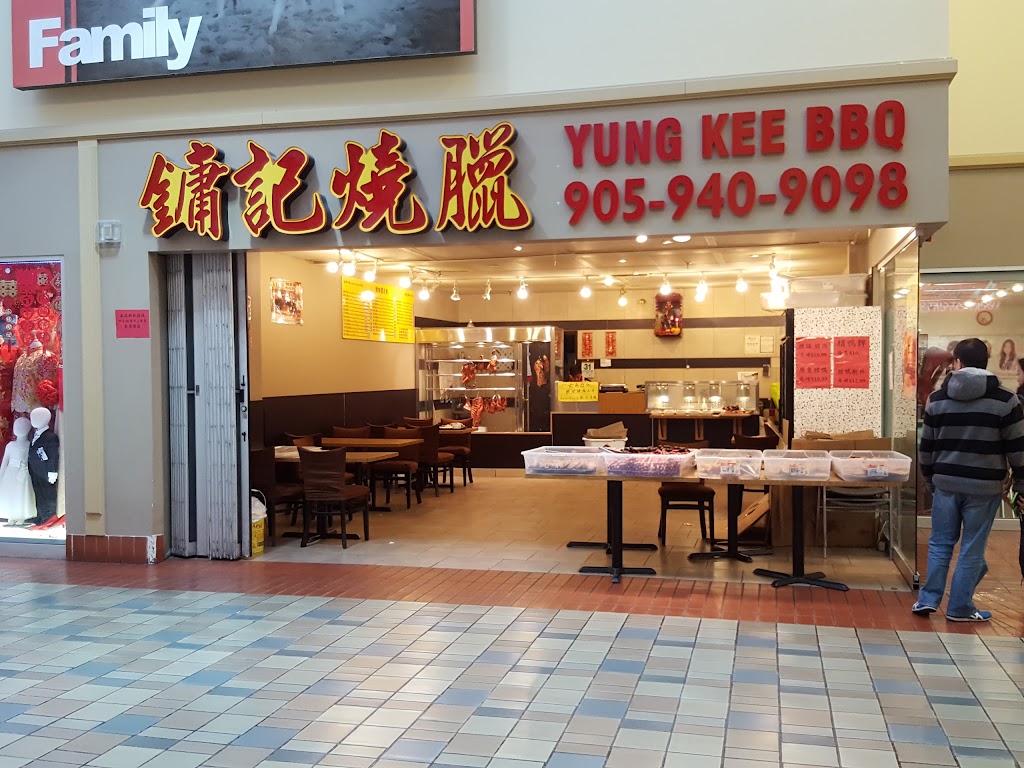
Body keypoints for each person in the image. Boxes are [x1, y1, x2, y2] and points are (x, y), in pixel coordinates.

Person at [915, 338, 1024, 621]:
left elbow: (927, 448)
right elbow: (1018, 449)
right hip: (984, 487)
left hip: (945, 483)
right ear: (986, 362)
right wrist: (1020, 482)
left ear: (957, 362)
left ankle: (927, 600)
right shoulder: (1006, 400)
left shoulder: (937, 400)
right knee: (972, 548)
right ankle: (959, 608)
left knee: (940, 543)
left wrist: (930, 480)